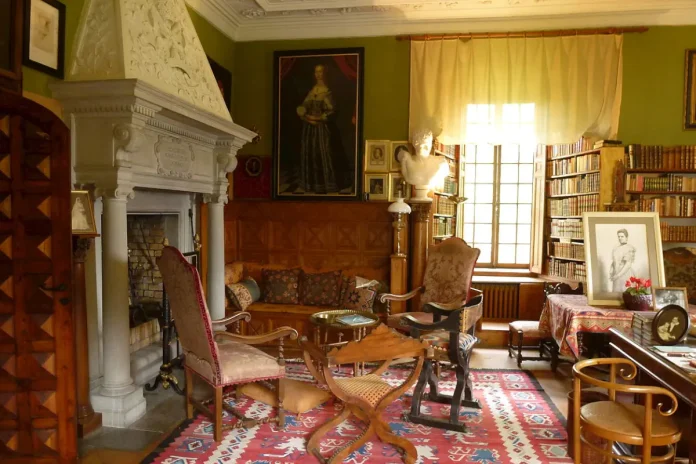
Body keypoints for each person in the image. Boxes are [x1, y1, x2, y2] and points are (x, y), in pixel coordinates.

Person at [296, 64, 338, 194]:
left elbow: (331, 111)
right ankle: (309, 185)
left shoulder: (328, 91)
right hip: (309, 128)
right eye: (316, 72)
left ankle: (326, 185)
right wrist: (304, 114)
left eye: (321, 72)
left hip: (321, 129)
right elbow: (303, 106)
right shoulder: (313, 90)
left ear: (325, 73)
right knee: (309, 154)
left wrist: (317, 119)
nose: (318, 74)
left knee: (323, 154)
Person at [399, 128, 449, 201]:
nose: (421, 147)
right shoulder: (407, 160)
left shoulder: (441, 163)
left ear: (430, 144)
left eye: (424, 144)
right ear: (414, 144)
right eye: (418, 143)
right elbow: (407, 177)